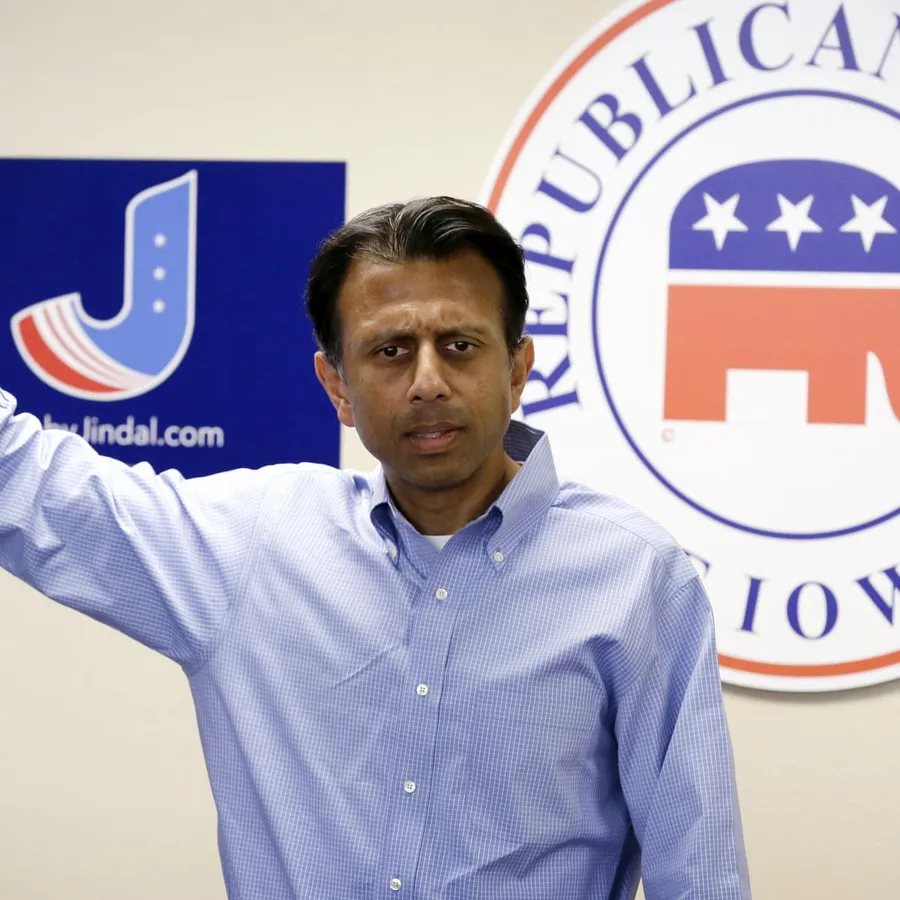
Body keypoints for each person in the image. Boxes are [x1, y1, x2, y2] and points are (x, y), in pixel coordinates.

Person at [0, 196, 751, 899]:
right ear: (337, 385)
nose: (428, 382)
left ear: (518, 369)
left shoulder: (634, 576)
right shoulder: (255, 545)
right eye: (390, 350)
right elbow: (31, 485)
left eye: (459, 345)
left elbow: (699, 870)